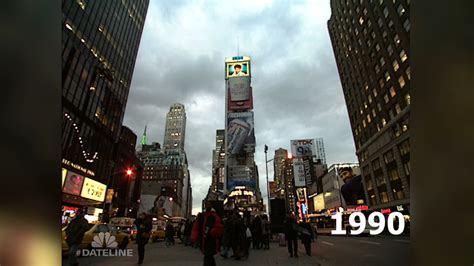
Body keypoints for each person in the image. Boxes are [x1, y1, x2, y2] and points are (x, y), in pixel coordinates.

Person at [191, 201, 224, 266]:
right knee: (209, 257)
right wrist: (194, 238)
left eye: (209, 204)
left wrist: (213, 231)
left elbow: (219, 227)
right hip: (205, 240)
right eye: (206, 204)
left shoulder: (214, 215)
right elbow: (196, 227)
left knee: (208, 257)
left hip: (211, 240)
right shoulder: (202, 216)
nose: (207, 206)